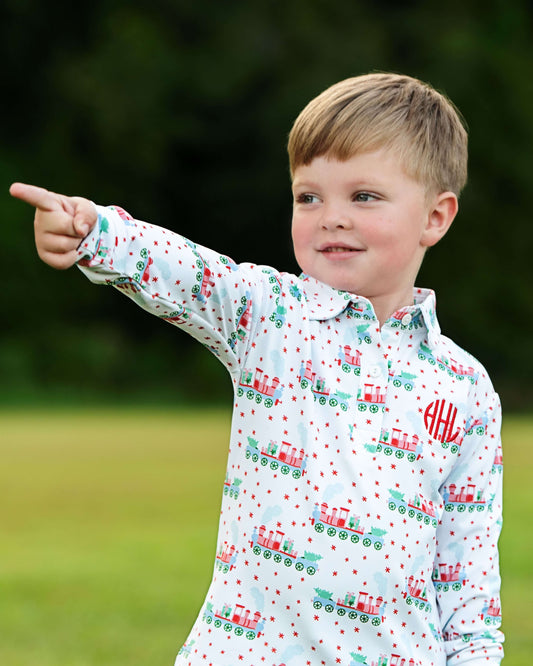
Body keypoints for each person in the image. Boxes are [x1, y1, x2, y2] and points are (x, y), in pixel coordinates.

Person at [10, 72, 504, 665]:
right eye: (309, 196)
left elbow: (466, 578)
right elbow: (189, 272)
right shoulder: (269, 316)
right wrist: (96, 232)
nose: (332, 217)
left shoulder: (465, 387)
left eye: (364, 196)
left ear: (436, 217)